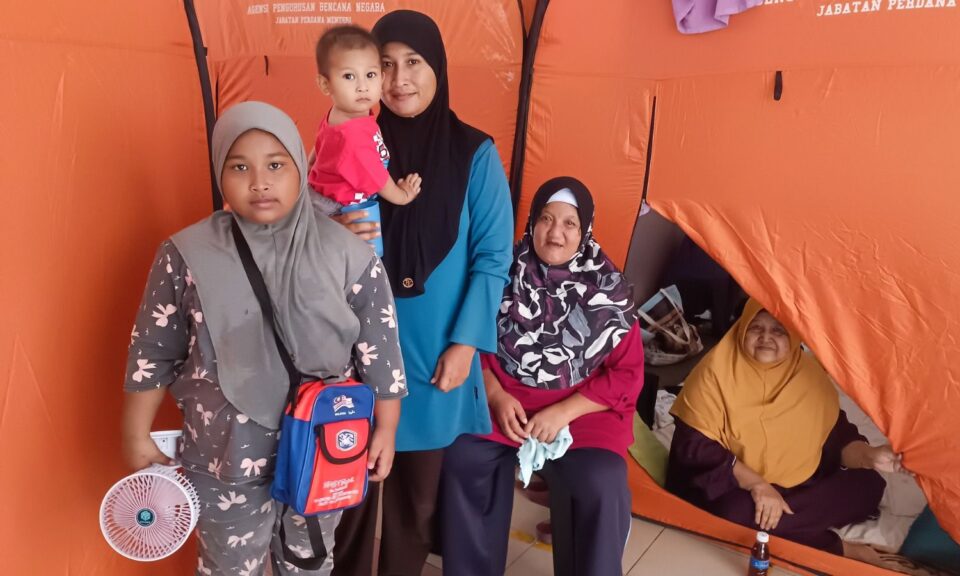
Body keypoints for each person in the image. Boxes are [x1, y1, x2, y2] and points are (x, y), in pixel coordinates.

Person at [121, 102, 406, 576]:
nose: (259, 182)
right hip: (225, 452)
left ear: (301, 167)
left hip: (324, 445)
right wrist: (135, 434)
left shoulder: (349, 254)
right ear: (219, 172)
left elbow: (381, 349)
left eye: (276, 165)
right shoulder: (184, 255)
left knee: (310, 563)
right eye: (239, 167)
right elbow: (153, 350)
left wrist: (387, 429)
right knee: (229, 567)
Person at [329, 10, 513, 576]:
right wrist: (330, 228)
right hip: (354, 346)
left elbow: (492, 258)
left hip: (436, 353)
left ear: (438, 68)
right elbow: (312, 224)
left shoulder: (475, 153)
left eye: (413, 62)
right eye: (384, 65)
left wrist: (466, 345)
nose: (398, 78)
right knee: (345, 492)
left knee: (416, 503)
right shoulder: (351, 143)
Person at [440, 177, 643, 576]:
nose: (555, 233)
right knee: (463, 456)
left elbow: (627, 373)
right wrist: (495, 395)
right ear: (532, 222)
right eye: (547, 219)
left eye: (569, 223)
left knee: (601, 479)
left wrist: (563, 413)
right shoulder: (500, 274)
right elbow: (469, 342)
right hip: (503, 404)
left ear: (585, 230)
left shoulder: (610, 292)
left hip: (581, 414)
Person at [665, 300, 904, 555]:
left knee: (870, 485)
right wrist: (757, 484)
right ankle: (838, 547)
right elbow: (694, 448)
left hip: (798, 482)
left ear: (793, 336)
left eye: (779, 330)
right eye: (756, 328)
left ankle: (780, 523)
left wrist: (870, 456)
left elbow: (836, 437)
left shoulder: (808, 375)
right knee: (733, 514)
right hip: (734, 484)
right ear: (742, 329)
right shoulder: (714, 373)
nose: (766, 337)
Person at [307, 26, 421, 236]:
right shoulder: (354, 134)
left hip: (319, 197)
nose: (362, 86)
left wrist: (311, 169)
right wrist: (402, 195)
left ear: (381, 78)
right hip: (337, 207)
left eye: (370, 75)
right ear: (325, 84)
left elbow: (319, 146)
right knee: (361, 249)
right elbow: (376, 176)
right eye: (349, 76)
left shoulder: (340, 113)